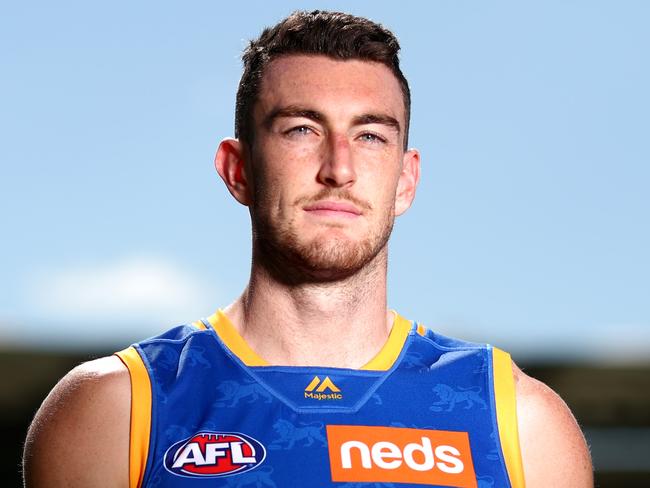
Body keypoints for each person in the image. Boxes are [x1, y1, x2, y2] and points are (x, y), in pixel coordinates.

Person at [23, 10, 593, 488]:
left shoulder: (518, 420)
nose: (339, 169)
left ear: (405, 181)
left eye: (370, 135)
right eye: (301, 129)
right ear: (238, 169)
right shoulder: (114, 411)